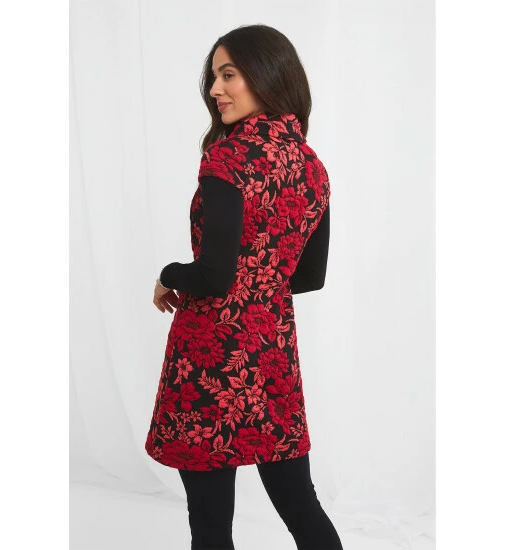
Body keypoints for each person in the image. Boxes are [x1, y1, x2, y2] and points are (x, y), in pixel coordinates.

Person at [146, 24, 343, 550]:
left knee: (211, 525)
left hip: (211, 358)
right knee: (300, 505)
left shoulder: (228, 158)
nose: (216, 89)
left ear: (266, 74)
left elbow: (213, 276)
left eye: (228, 74)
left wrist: (168, 275)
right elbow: (310, 276)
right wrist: (260, 285)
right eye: (214, 77)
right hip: (272, 354)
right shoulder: (312, 166)